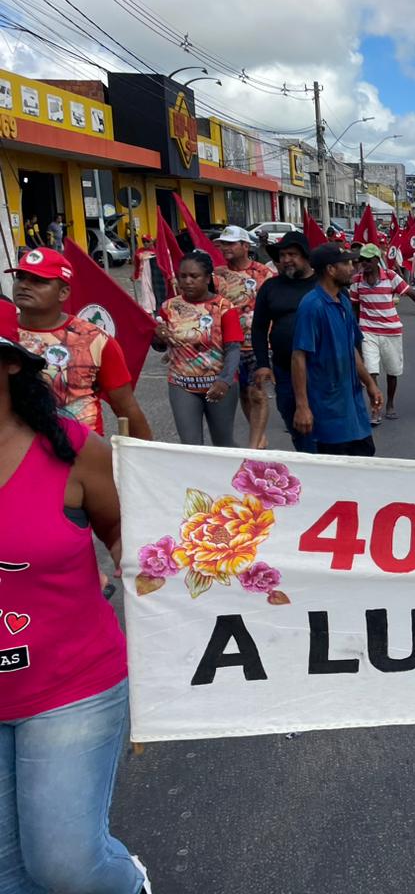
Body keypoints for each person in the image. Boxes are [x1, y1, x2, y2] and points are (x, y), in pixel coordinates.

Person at [0, 298, 151, 894]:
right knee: (10, 878)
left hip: (70, 688)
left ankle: (129, 882)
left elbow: (126, 537)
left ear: (11, 365)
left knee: (66, 865)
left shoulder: (72, 450)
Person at [9, 248, 152, 440]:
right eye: (20, 277)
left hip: (80, 458)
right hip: (14, 457)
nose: (24, 286)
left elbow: (126, 406)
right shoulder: (4, 331)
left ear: (63, 293)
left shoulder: (95, 339)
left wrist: (145, 461)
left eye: (38, 281)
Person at [292, 244, 382, 456]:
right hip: (328, 408)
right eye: (346, 263)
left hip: (353, 405)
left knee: (365, 457)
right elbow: (298, 357)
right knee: (337, 475)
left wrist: (370, 383)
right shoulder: (311, 306)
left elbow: (351, 347)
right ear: (331, 270)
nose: (353, 268)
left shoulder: (343, 300)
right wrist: (302, 406)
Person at [152, 251, 242, 446]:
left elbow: (233, 348)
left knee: (223, 444)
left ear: (208, 278)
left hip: (218, 385)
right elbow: (159, 346)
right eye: (183, 276)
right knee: (190, 446)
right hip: (182, 384)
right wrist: (158, 337)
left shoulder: (224, 307)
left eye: (194, 276)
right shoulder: (168, 307)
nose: (188, 281)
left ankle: (227, 477)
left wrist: (224, 381)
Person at [351, 244, 415, 423]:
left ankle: (390, 403)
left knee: (392, 371)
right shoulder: (357, 281)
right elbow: (355, 308)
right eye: (362, 260)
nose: (365, 264)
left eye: (368, 260)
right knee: (371, 371)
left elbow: (413, 294)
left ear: (378, 260)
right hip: (368, 331)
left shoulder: (391, 277)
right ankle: (375, 407)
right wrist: (354, 333)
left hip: (391, 331)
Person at [252, 231, 319, 453]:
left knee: (324, 426)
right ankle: (307, 460)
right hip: (285, 371)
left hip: (322, 371)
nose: (286, 260)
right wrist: (262, 363)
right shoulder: (271, 287)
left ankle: (324, 465)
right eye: (282, 255)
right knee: (296, 422)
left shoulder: (324, 284)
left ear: (306, 256)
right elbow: (259, 327)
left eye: (292, 254)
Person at [214, 225, 273, 449]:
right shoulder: (217, 275)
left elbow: (273, 305)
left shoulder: (264, 273)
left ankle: (256, 442)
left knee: (256, 392)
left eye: (231, 243)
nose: (225, 248)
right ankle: (257, 434)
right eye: (223, 244)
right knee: (244, 395)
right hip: (229, 346)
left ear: (245, 246)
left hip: (257, 343)